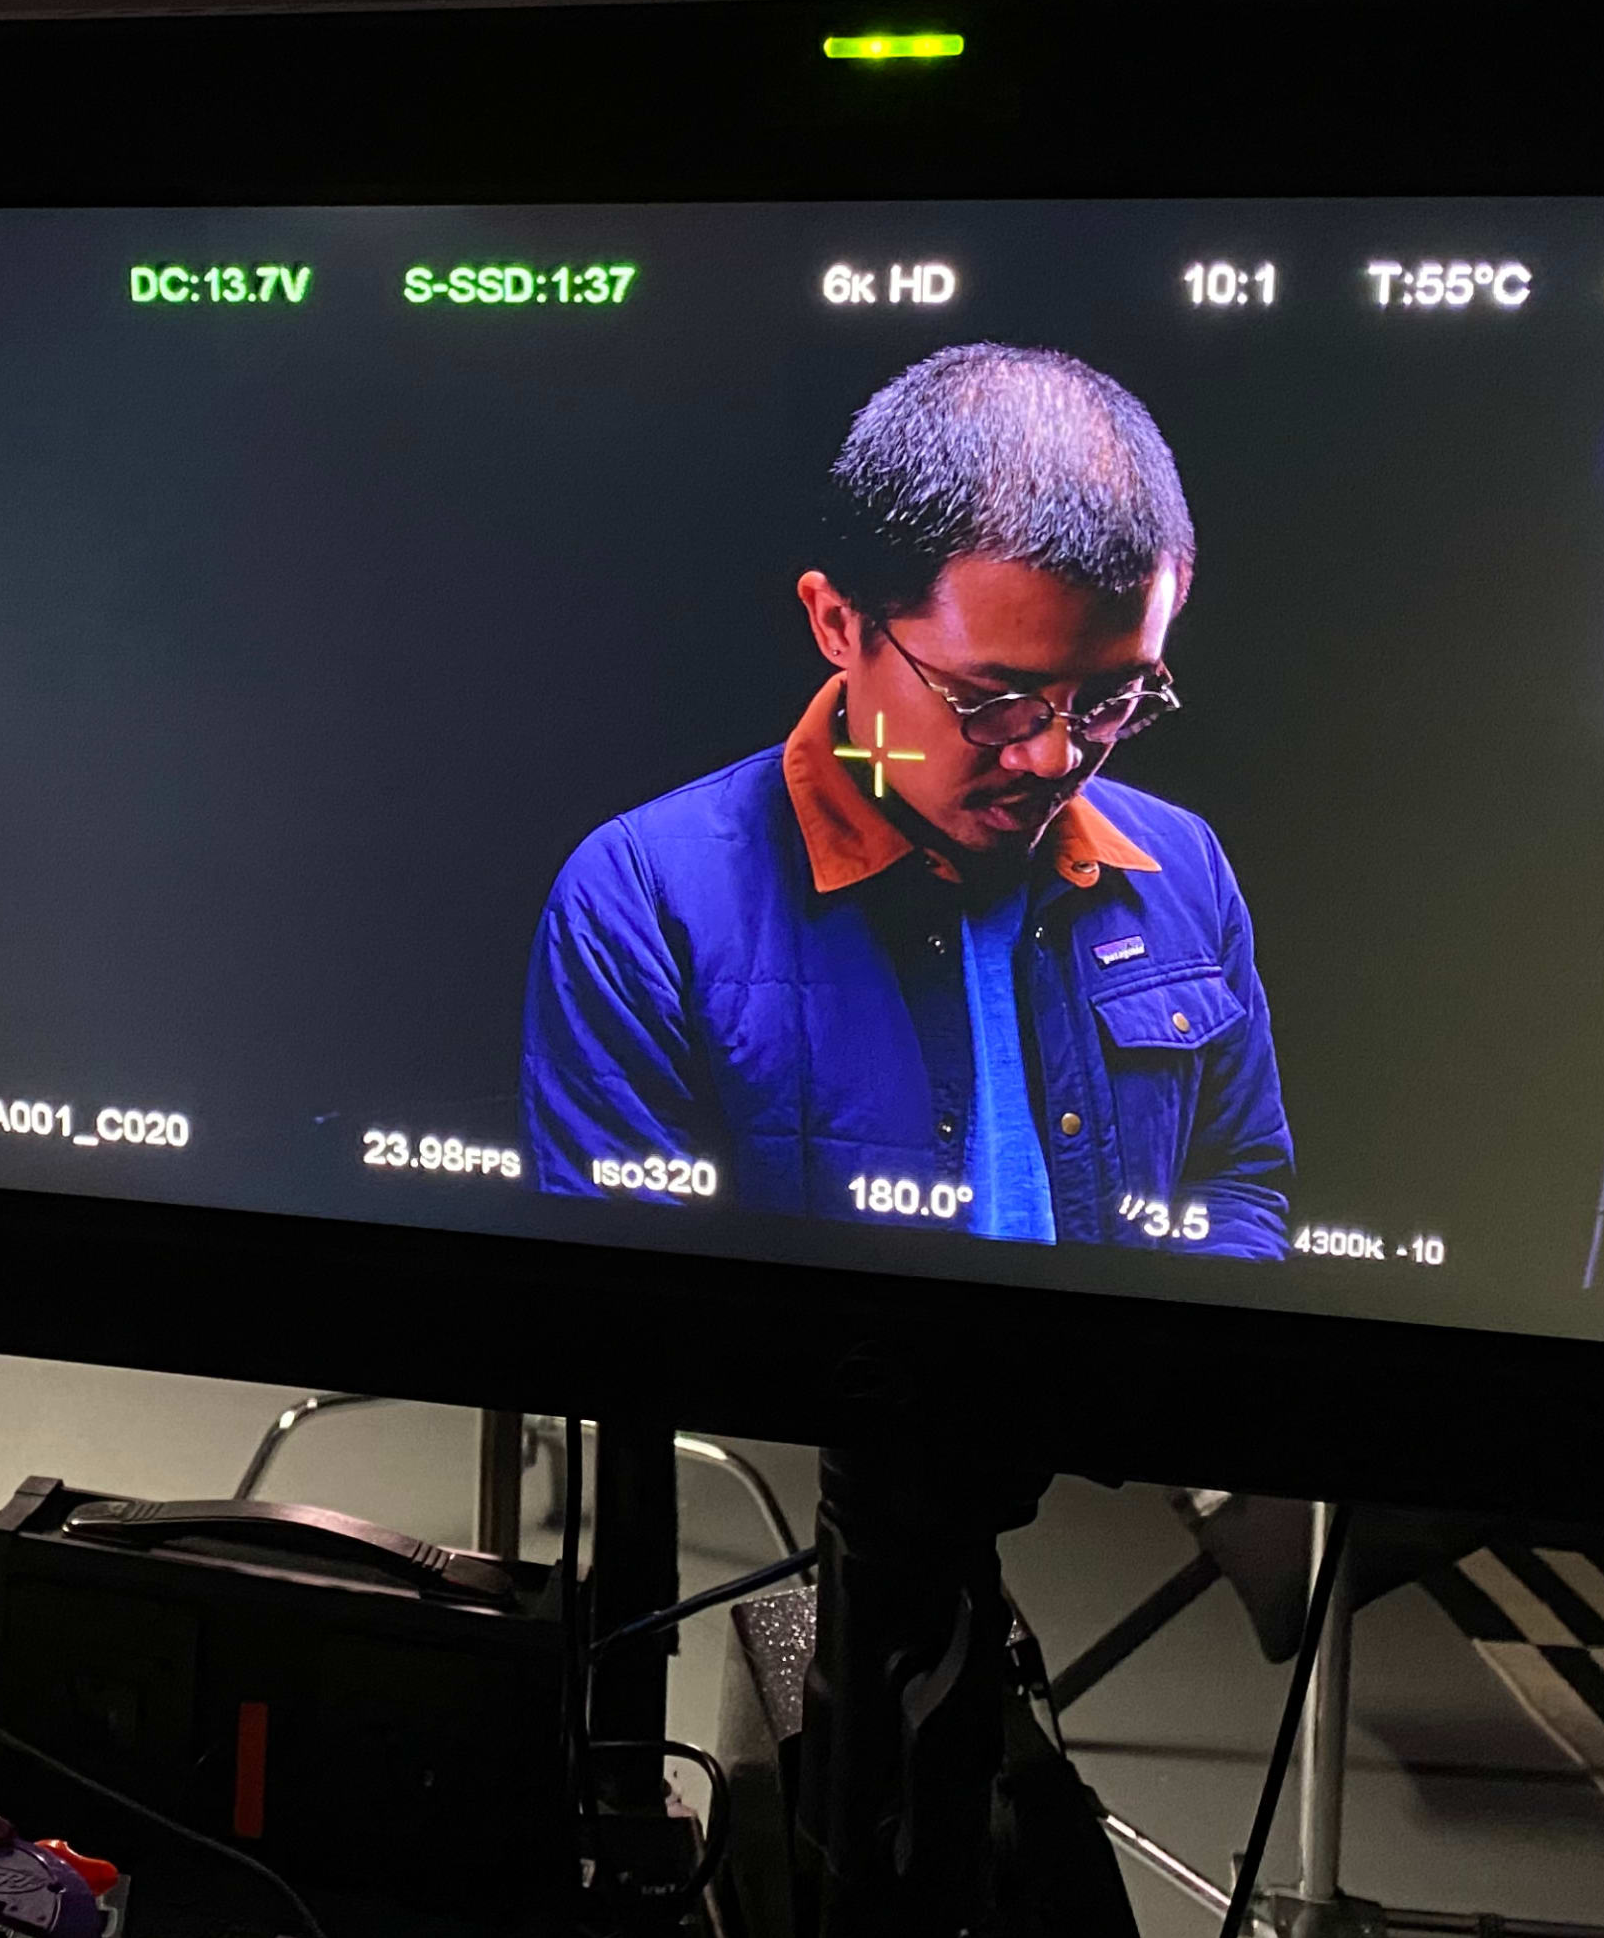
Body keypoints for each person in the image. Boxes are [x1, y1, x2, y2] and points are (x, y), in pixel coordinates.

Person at [522, 342, 1291, 1258]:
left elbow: (1237, 1186)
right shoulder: (642, 900)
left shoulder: (1184, 866)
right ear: (838, 623)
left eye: (1111, 700)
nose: (1055, 755)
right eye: (995, 700)